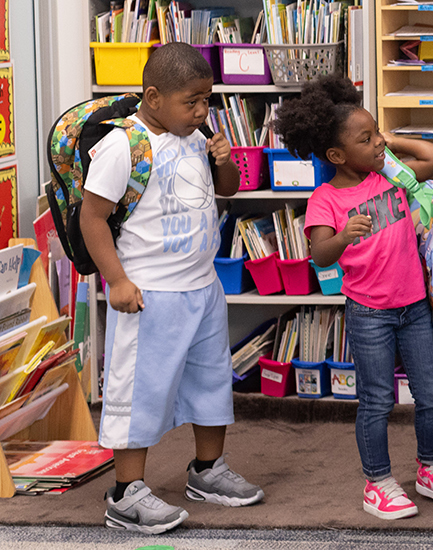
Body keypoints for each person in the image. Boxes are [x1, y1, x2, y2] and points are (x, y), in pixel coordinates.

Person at [81, 42, 261, 534]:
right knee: (140, 391)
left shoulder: (193, 134)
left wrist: (224, 158)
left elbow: (227, 189)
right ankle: (126, 493)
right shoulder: (125, 145)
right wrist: (116, 280)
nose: (203, 111)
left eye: (207, 99)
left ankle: (207, 470)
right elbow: (92, 217)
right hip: (148, 294)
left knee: (211, 383)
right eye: (192, 101)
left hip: (202, 287)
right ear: (154, 97)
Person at [275, 76, 433, 521]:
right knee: (378, 399)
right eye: (367, 139)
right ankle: (378, 482)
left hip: (414, 306)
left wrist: (387, 141)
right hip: (368, 312)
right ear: (337, 156)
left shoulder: (392, 175)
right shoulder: (326, 198)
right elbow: (319, 254)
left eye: (377, 132)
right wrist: (343, 236)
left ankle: (431, 468)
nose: (378, 142)